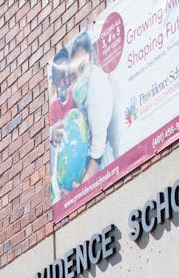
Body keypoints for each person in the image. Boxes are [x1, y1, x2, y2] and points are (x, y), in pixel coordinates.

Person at [70, 31, 117, 185]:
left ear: (91, 59)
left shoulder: (97, 86)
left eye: (82, 67)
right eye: (74, 74)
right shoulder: (81, 91)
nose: (77, 77)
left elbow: (97, 149)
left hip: (103, 170)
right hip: (88, 172)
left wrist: (82, 187)